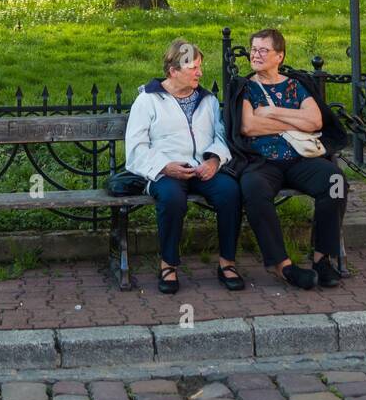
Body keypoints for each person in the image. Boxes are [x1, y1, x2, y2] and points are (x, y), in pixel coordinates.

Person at [223, 27, 348, 290]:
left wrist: (271, 112)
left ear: (279, 56)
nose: (255, 55)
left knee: (336, 182)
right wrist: (292, 123)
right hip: (261, 161)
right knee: (253, 189)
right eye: (253, 50)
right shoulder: (245, 87)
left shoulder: (296, 85)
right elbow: (249, 127)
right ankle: (282, 265)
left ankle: (322, 258)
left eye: (262, 50)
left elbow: (315, 121)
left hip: (300, 160)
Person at [125, 39, 245, 295]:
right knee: (171, 197)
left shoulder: (208, 100)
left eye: (200, 67)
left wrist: (214, 160)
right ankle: (168, 265)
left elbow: (220, 137)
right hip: (165, 170)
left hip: (203, 169)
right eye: (193, 68)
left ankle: (227, 263)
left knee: (230, 191)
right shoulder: (148, 100)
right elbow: (135, 148)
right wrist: (165, 166)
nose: (200, 73)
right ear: (173, 71)